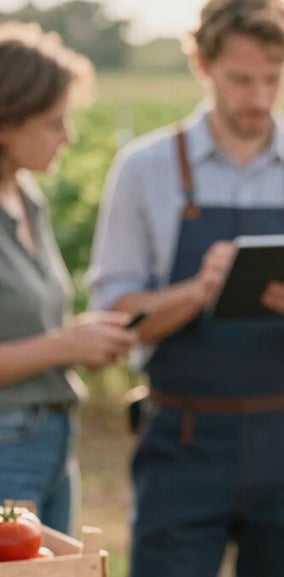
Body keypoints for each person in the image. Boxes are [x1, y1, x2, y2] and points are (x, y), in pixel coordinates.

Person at [87, 0, 284, 577]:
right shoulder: (145, 170)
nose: (258, 97)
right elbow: (113, 317)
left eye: (273, 78)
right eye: (241, 80)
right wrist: (197, 291)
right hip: (183, 437)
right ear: (203, 65)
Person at [0, 23, 137, 534]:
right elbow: (45, 344)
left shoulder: (27, 199)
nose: (69, 137)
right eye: (54, 123)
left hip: (52, 442)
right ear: (6, 125)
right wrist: (64, 345)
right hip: (7, 443)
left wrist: (81, 337)